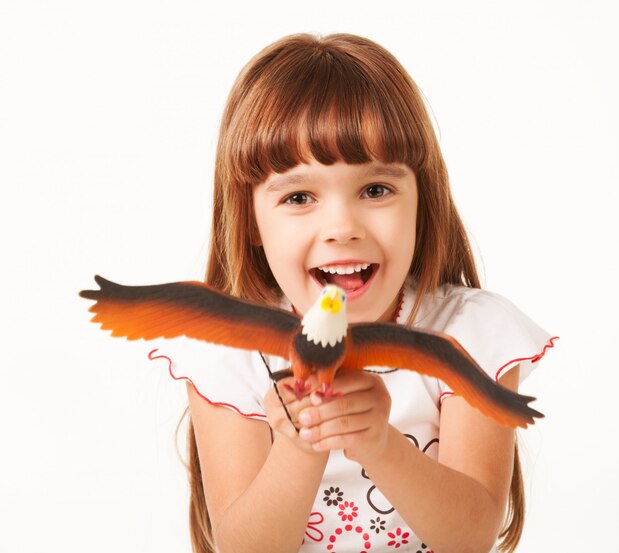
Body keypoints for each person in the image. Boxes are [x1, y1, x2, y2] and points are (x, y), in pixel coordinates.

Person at [156, 33, 556, 553]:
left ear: (421, 201)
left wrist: (381, 444)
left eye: (375, 190)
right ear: (250, 220)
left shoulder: (469, 336)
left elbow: (472, 537)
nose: (341, 227)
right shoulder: (229, 351)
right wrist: (298, 450)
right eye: (300, 196)